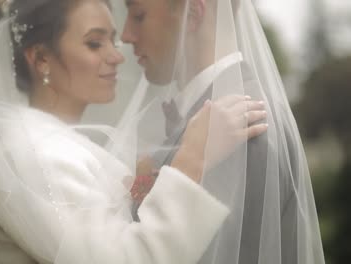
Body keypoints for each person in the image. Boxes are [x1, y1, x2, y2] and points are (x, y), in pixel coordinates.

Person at [0, 0, 268, 263]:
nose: (117, 56)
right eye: (95, 43)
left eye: (112, 40)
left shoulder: (57, 144)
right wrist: (191, 159)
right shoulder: (29, 151)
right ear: (41, 59)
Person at [120, 0, 325, 263]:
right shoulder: (220, 114)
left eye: (138, 16)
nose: (126, 35)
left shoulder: (241, 126)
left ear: (194, 13)